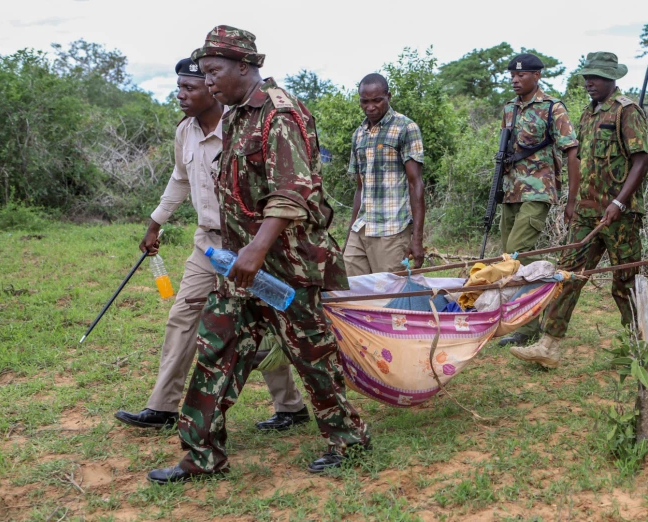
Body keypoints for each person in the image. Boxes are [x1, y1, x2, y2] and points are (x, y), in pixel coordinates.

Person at [147, 26, 370, 484]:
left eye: (214, 72)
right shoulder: (234, 118)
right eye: (204, 74)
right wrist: (237, 254)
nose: (208, 83)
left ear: (244, 67)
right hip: (241, 267)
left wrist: (254, 250)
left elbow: (293, 192)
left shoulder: (280, 115)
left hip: (287, 267)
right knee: (216, 348)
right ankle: (201, 456)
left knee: (312, 356)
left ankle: (348, 438)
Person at [114, 58, 309, 433]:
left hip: (251, 244)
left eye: (189, 87)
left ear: (210, 86)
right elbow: (179, 178)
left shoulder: (243, 125)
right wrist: (155, 223)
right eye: (179, 88)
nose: (181, 95)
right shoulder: (184, 132)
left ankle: (290, 407)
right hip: (206, 245)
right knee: (183, 317)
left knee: (263, 322)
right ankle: (163, 407)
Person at [510, 52, 648, 367]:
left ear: (612, 79)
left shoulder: (627, 112)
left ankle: (639, 345)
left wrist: (619, 202)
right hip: (587, 212)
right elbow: (580, 162)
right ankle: (548, 345)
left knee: (625, 281)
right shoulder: (587, 114)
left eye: (597, 77)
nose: (590, 82)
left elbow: (641, 161)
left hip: (620, 215)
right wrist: (571, 202)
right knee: (567, 275)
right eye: (588, 77)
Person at [495, 53, 579, 348]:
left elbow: (572, 151)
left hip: (539, 190)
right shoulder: (509, 108)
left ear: (537, 76)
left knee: (517, 251)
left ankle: (532, 319)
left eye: (522, 75)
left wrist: (571, 199)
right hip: (511, 191)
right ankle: (523, 321)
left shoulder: (552, 108)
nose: (516, 80)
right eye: (512, 76)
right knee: (510, 257)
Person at [344, 73, 425, 275]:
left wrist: (417, 239)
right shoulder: (359, 134)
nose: (370, 107)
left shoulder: (405, 128)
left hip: (392, 229)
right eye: (365, 101)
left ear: (389, 96)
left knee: (389, 295)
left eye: (377, 100)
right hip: (362, 227)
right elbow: (360, 187)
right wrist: (349, 233)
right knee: (351, 289)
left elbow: (416, 184)